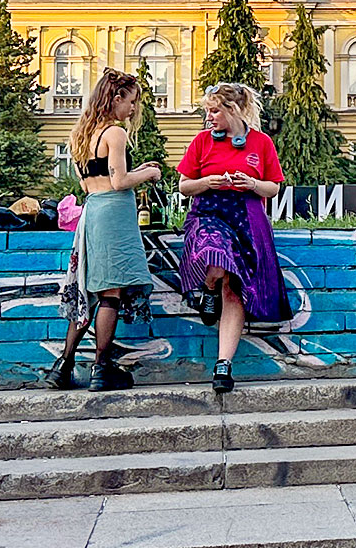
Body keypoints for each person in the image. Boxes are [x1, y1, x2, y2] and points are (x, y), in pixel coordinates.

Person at [176, 82, 288, 394]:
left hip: (246, 216)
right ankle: (208, 288)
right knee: (216, 259)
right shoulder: (201, 142)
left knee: (235, 288)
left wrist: (252, 183)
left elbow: (273, 187)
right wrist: (206, 181)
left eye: (215, 111)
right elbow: (184, 186)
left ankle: (223, 363)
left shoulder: (261, 143)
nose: (209, 117)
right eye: (207, 111)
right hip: (210, 212)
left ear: (234, 110)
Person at [67, 69, 166, 392]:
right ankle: (102, 367)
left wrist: (134, 171)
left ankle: (65, 365)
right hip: (114, 215)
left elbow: (94, 180)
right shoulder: (115, 133)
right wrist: (149, 173)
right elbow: (119, 182)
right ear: (116, 97)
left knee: (89, 292)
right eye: (132, 101)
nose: (134, 109)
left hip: (92, 211)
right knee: (111, 294)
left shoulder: (81, 134)